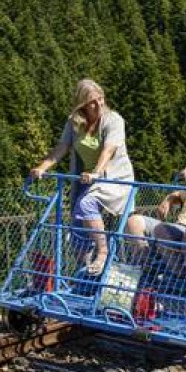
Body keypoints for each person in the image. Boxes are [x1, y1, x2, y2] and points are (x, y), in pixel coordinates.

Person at [30, 79, 133, 275]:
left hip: (113, 179)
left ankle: (103, 251)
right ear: (83, 104)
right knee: (77, 229)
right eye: (93, 101)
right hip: (86, 180)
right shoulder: (74, 122)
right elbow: (62, 147)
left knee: (86, 204)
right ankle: (84, 275)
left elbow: (108, 150)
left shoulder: (114, 120)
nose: (98, 104)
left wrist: (97, 172)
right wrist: (42, 167)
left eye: (101, 99)